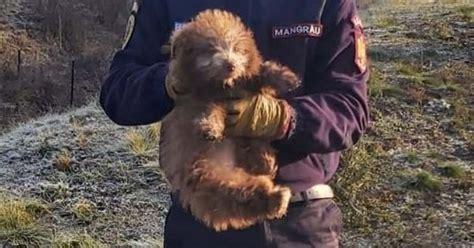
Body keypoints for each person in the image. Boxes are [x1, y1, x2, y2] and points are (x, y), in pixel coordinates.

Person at [99, 0, 370, 247]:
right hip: (202, 218)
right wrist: (168, 82)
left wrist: (281, 119)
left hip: (297, 220)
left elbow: (350, 110)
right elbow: (117, 93)